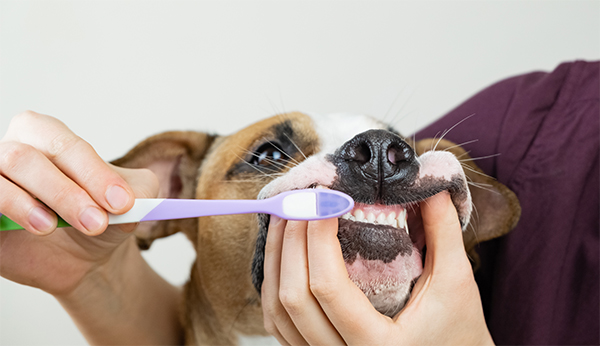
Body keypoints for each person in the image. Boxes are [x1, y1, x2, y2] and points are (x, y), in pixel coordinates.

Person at [0, 60, 597, 345]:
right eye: (265, 157)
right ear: (171, 198)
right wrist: (90, 277)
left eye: (392, 153)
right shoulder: (531, 122)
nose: (375, 161)